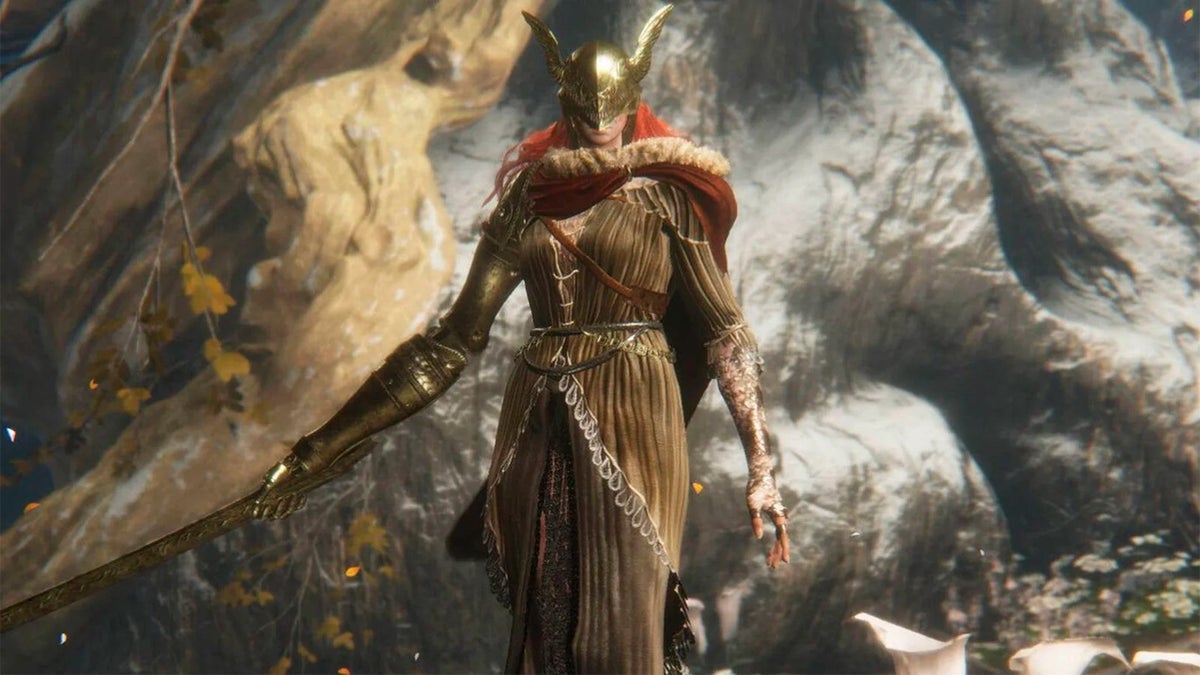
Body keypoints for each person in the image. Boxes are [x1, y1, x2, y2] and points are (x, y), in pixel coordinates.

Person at [252, 5, 790, 673]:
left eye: (610, 107)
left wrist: (761, 465)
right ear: (564, 102)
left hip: (635, 409)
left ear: (633, 101)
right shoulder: (530, 199)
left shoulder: (665, 198)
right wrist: (318, 448)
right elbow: (451, 342)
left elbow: (724, 332)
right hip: (537, 412)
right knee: (546, 612)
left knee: (625, 608)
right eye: (585, 108)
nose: (599, 121)